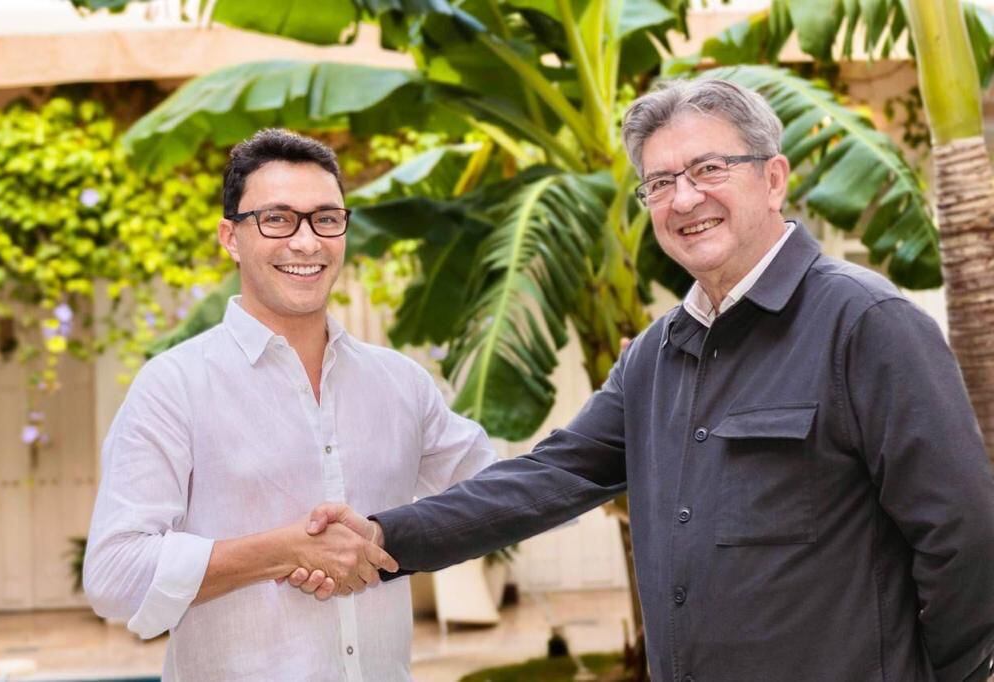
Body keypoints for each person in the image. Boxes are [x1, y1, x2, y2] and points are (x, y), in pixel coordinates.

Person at [303, 79, 994, 681]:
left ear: (774, 178)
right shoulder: (658, 354)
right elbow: (551, 477)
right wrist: (383, 537)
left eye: (709, 168)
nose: (684, 198)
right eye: (660, 183)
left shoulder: (865, 324)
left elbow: (965, 535)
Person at [83, 129, 495, 681]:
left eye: (326, 219)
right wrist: (281, 551)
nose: (306, 242)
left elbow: (498, 497)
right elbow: (113, 574)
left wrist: (382, 534)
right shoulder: (173, 385)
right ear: (230, 237)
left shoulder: (400, 383)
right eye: (276, 219)